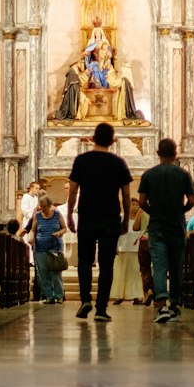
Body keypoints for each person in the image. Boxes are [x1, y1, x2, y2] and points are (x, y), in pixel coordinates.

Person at [66, 121, 132, 321]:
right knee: (106, 264)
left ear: (93, 138)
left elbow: (73, 190)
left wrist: (69, 215)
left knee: (85, 261)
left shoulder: (82, 160)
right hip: (110, 219)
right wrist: (126, 219)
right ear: (113, 141)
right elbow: (127, 195)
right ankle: (101, 309)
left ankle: (85, 299)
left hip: (87, 217)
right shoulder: (118, 163)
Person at [138, 138, 194, 324]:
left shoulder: (149, 175)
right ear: (175, 153)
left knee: (160, 266)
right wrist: (181, 211)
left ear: (158, 153)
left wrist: (153, 212)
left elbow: (141, 202)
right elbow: (192, 201)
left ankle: (161, 303)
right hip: (176, 226)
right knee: (176, 266)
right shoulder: (183, 174)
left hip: (157, 227)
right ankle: (175, 305)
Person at [29, 192, 68, 303]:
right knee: (43, 273)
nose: (42, 209)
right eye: (41, 207)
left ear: (50, 205)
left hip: (55, 247)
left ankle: (59, 296)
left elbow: (64, 228)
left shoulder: (57, 214)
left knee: (55, 273)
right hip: (40, 248)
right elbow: (33, 230)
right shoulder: (37, 215)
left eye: (44, 207)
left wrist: (59, 233)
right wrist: (32, 238)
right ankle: (49, 296)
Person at [109, 197, 146, 304]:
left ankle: (136, 296)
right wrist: (115, 246)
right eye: (132, 205)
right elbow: (116, 234)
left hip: (136, 250)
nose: (134, 207)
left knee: (134, 274)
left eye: (136, 205)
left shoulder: (141, 219)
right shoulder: (122, 218)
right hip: (123, 248)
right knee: (121, 274)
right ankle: (120, 296)